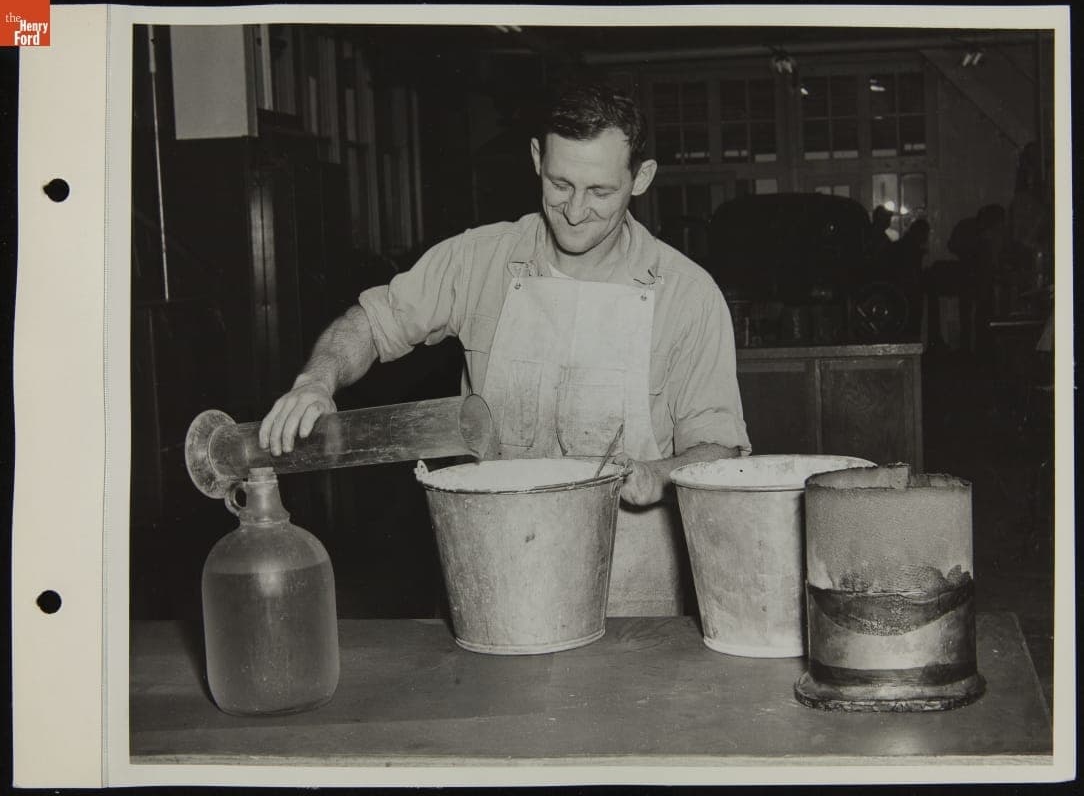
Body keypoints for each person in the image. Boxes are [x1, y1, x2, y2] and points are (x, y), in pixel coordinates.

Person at [259, 81, 752, 616]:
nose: (575, 210)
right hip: (496, 568)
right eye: (560, 184)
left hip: (632, 590)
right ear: (537, 158)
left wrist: (657, 474)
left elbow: (719, 449)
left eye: (600, 192)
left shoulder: (687, 296)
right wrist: (316, 381)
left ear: (642, 178)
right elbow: (372, 324)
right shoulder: (479, 260)